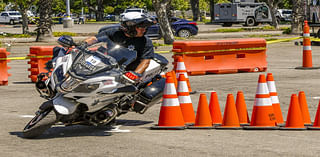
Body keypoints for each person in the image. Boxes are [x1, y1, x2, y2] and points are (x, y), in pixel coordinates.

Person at [80, 12, 156, 81]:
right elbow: (95, 39)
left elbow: (145, 61)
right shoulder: (115, 33)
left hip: (126, 73)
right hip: (107, 67)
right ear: (130, 27)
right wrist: (81, 45)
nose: (144, 30)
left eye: (145, 27)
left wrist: (135, 74)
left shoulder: (145, 41)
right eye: (141, 27)